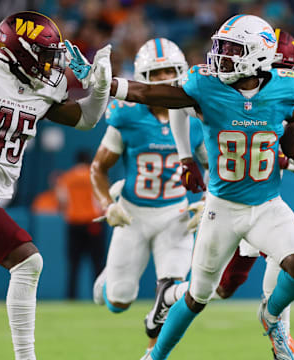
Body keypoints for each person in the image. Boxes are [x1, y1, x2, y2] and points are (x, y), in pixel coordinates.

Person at [100, 14, 294, 360]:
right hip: (222, 207)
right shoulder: (206, 85)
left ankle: (273, 318)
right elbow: (154, 93)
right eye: (220, 46)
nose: (219, 55)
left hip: (267, 203)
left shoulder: (287, 86)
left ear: (257, 55)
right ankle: (155, 355)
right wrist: (185, 158)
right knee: (199, 296)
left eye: (231, 49)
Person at [0, 11, 112, 359]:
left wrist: (100, 87)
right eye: (42, 54)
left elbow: (87, 119)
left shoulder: (42, 88)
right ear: (19, 51)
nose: (49, 64)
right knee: (27, 261)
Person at [88, 37, 208, 355]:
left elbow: (216, 167)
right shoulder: (126, 115)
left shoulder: (196, 116)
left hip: (176, 215)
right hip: (133, 215)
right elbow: (98, 167)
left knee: (171, 291)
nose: (163, 80)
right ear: (142, 78)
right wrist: (107, 204)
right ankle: (107, 282)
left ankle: (152, 352)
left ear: (180, 72)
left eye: (168, 71)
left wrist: (208, 201)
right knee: (118, 301)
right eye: (155, 74)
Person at [56, 150, 106, 299]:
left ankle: (71, 297)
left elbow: (62, 199)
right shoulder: (95, 176)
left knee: (73, 264)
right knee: (97, 263)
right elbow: (100, 200)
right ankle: (99, 297)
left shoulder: (66, 177)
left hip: (74, 222)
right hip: (93, 223)